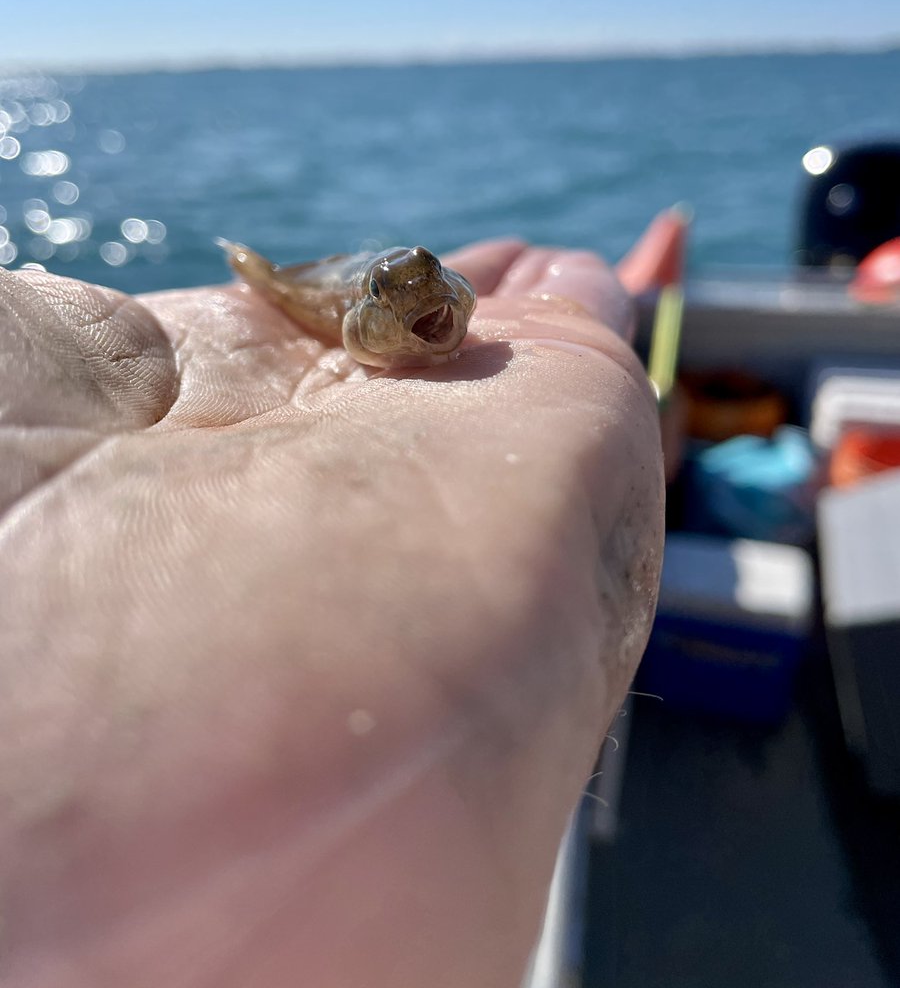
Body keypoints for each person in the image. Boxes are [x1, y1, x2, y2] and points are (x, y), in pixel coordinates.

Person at [0, 214, 681, 988]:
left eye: (436, 286)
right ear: (366, 312)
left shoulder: (430, 300)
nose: (435, 311)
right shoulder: (356, 313)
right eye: (398, 298)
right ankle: (262, 270)